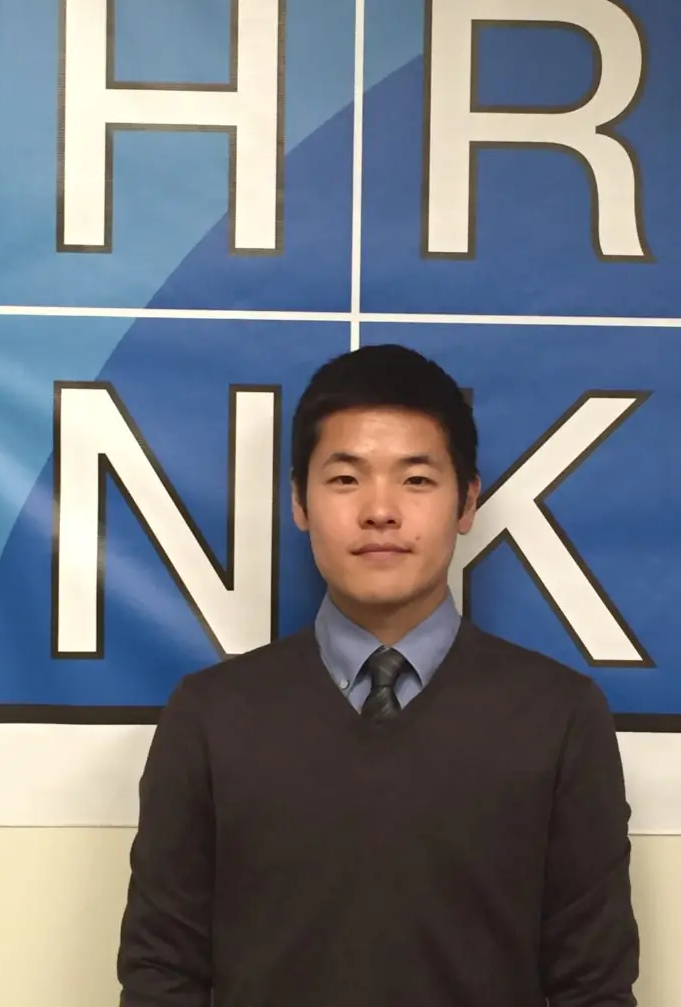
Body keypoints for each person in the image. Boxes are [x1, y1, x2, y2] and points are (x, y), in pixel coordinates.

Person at [117, 343, 640, 1007]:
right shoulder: (210, 717)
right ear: (299, 501)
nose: (380, 511)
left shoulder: (559, 717)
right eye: (345, 479)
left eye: (416, 480)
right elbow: (161, 974)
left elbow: (593, 986)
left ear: (467, 501)